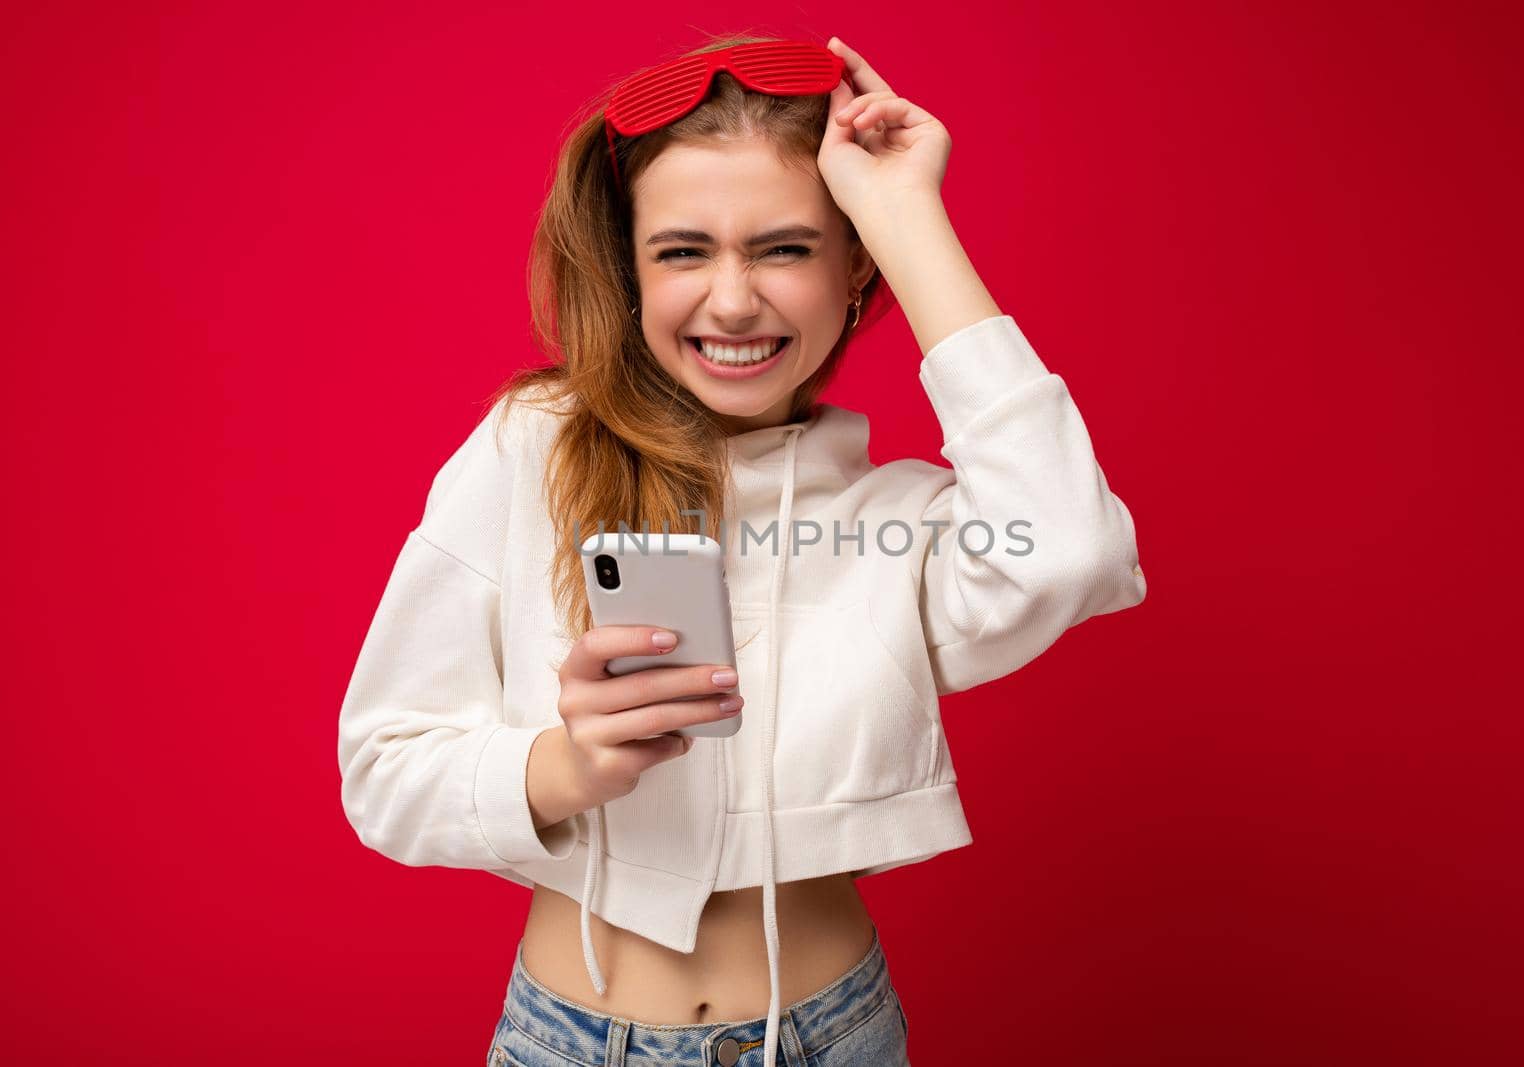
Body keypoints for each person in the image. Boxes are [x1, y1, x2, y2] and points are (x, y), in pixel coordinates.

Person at [337, 32, 1149, 1067]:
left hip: (830, 1037)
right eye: (682, 251)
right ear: (628, 270)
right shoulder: (530, 450)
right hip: (566, 1040)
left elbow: (1069, 553)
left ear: (852, 264)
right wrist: (562, 765)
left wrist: (907, 216)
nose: (731, 300)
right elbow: (382, 770)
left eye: (784, 248)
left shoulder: (892, 521)